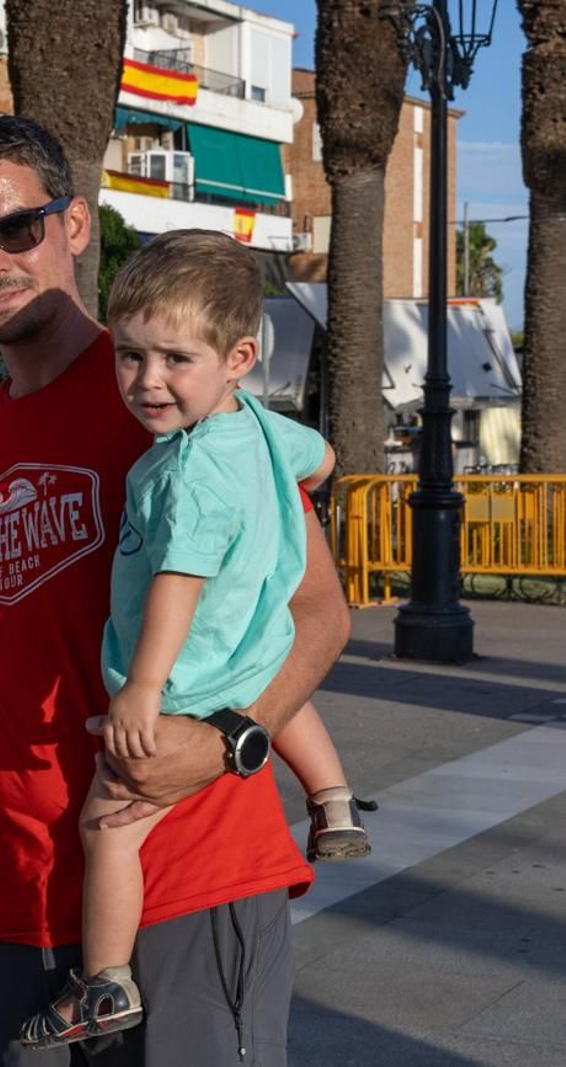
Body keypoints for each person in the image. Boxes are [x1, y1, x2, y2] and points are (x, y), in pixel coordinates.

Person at [0, 116, 349, 1065]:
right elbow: (4, 641)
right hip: (25, 900)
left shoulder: (181, 391)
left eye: (15, 229)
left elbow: (317, 610)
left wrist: (231, 740)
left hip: (188, 871)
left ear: (74, 224)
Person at [21, 231, 370, 1049]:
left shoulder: (186, 471)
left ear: (238, 354)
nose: (147, 381)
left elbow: (177, 580)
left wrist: (143, 689)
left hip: (185, 683)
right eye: (131, 356)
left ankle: (105, 979)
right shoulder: (255, 424)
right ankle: (333, 800)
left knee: (108, 829)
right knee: (283, 699)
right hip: (254, 648)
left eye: (174, 358)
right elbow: (319, 458)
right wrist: (308, 480)